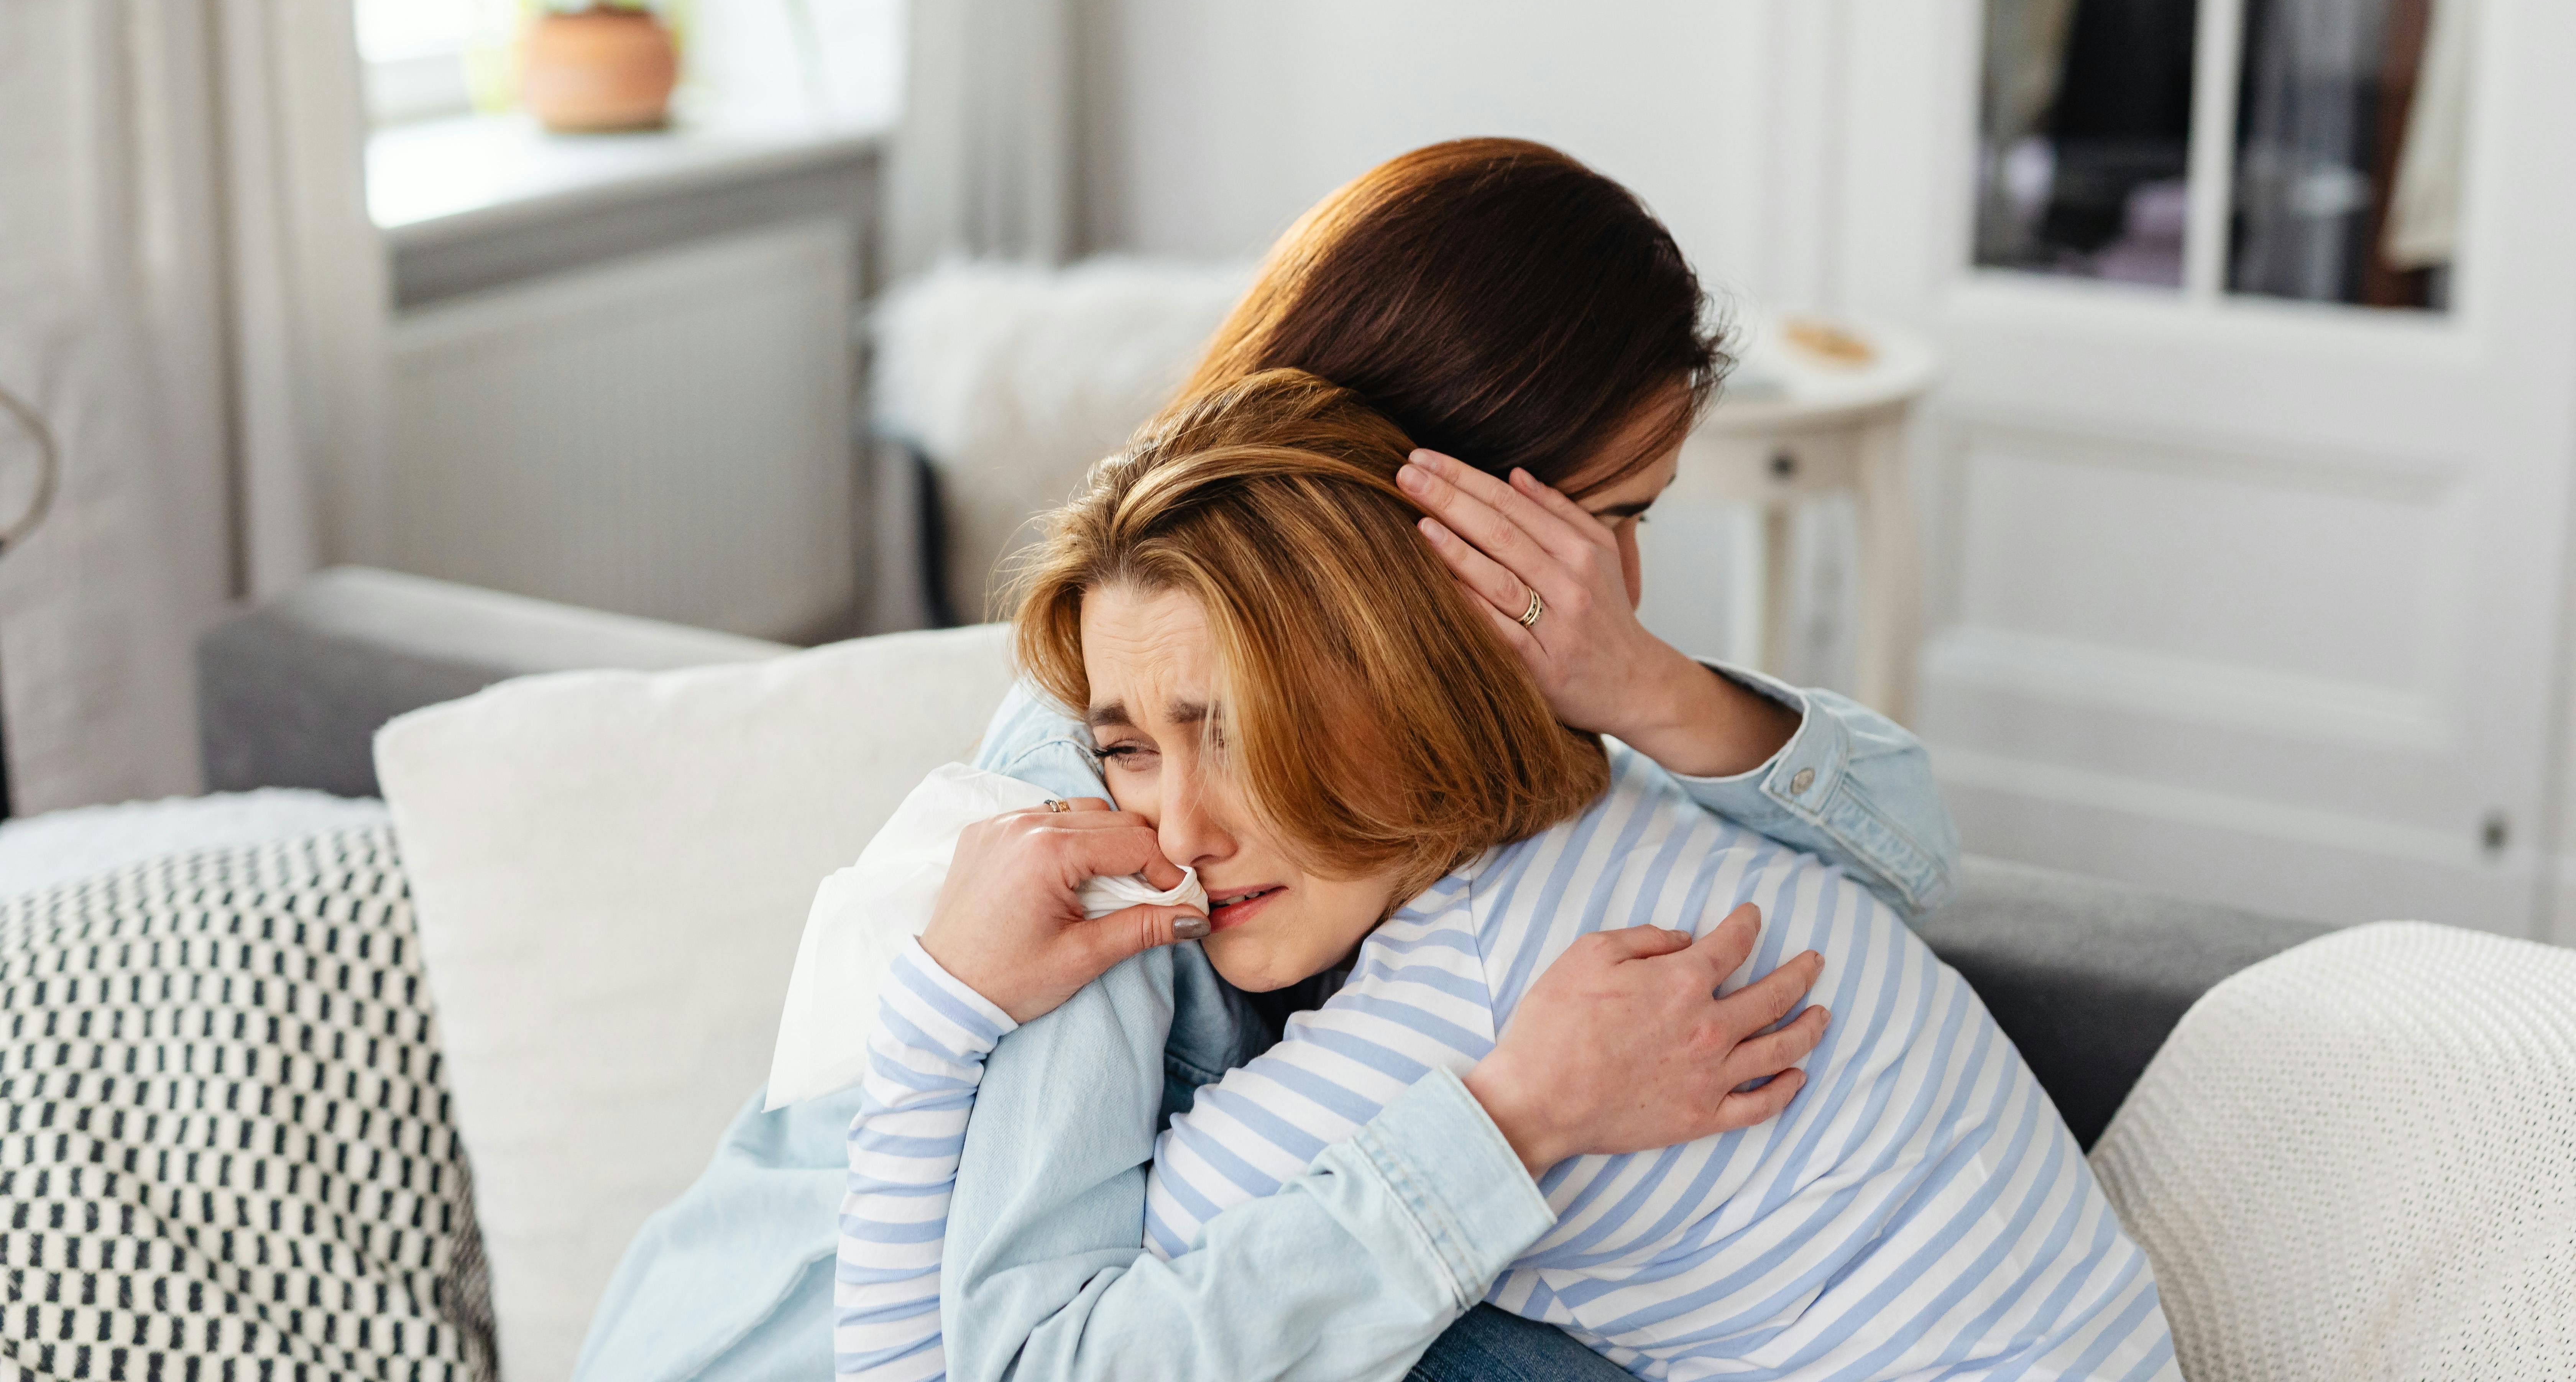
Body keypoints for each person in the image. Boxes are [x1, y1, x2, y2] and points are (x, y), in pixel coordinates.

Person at [577, 140, 1956, 1382]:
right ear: (1413, 506)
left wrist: (1646, 686)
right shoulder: (1112, 828)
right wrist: (1517, 1121)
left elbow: (1911, 866)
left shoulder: (1470, 700)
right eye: (1598, 519)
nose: (1618, 581)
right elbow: (1026, 1359)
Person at [843, 371, 2174, 1381]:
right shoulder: (1624, 816)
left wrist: (934, 1023)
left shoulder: (1475, 995)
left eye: (1237, 730)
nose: (1179, 831)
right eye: (1127, 752)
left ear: (1398, 685)